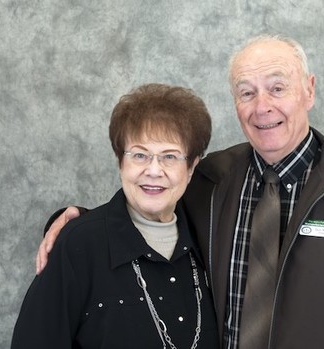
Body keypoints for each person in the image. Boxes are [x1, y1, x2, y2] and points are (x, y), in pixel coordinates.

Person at [35, 35, 324, 348]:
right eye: (246, 92)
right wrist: (78, 221)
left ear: (309, 91)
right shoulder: (209, 180)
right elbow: (149, 208)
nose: (262, 107)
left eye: (277, 88)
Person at [12, 83, 219, 348]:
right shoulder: (78, 245)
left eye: (170, 156)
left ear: (192, 167)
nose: (154, 171)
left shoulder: (210, 239)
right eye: (140, 155)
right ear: (120, 161)